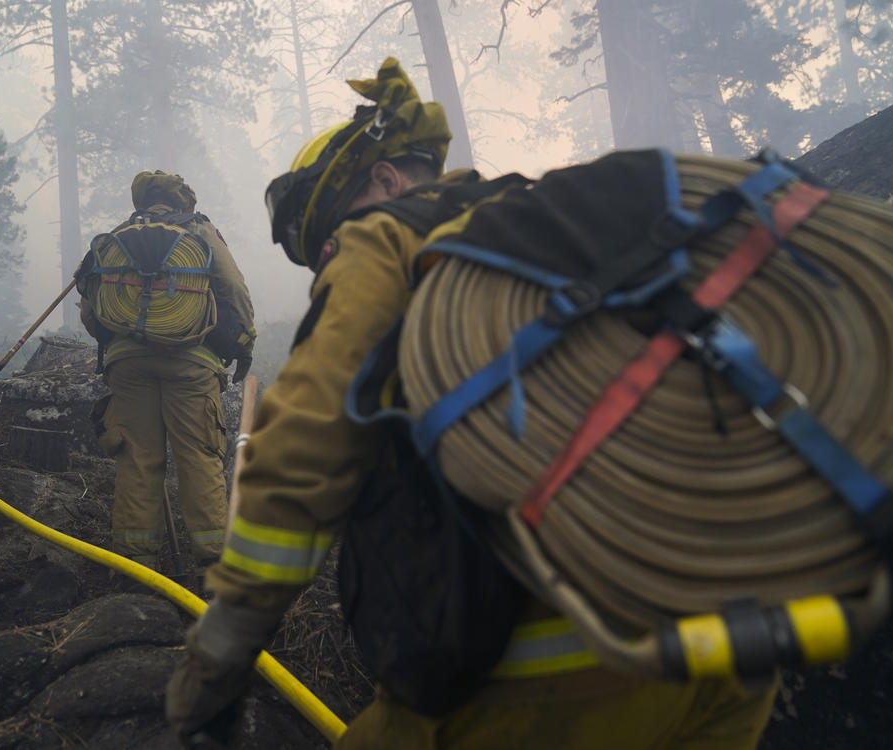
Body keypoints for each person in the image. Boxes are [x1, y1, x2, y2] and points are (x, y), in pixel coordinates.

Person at [165, 59, 776, 749]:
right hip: (735, 644)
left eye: (328, 241)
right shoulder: (557, 227)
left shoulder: (391, 238)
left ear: (387, 180)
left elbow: (304, 447)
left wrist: (220, 654)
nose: (328, 266)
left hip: (556, 670)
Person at [78, 170, 255, 574]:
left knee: (137, 459)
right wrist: (244, 344)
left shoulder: (119, 235)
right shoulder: (201, 232)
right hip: (193, 362)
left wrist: (121, 343)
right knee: (200, 457)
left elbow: (91, 303)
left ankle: (136, 569)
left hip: (128, 365)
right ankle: (214, 567)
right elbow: (234, 289)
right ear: (185, 203)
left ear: (141, 200)